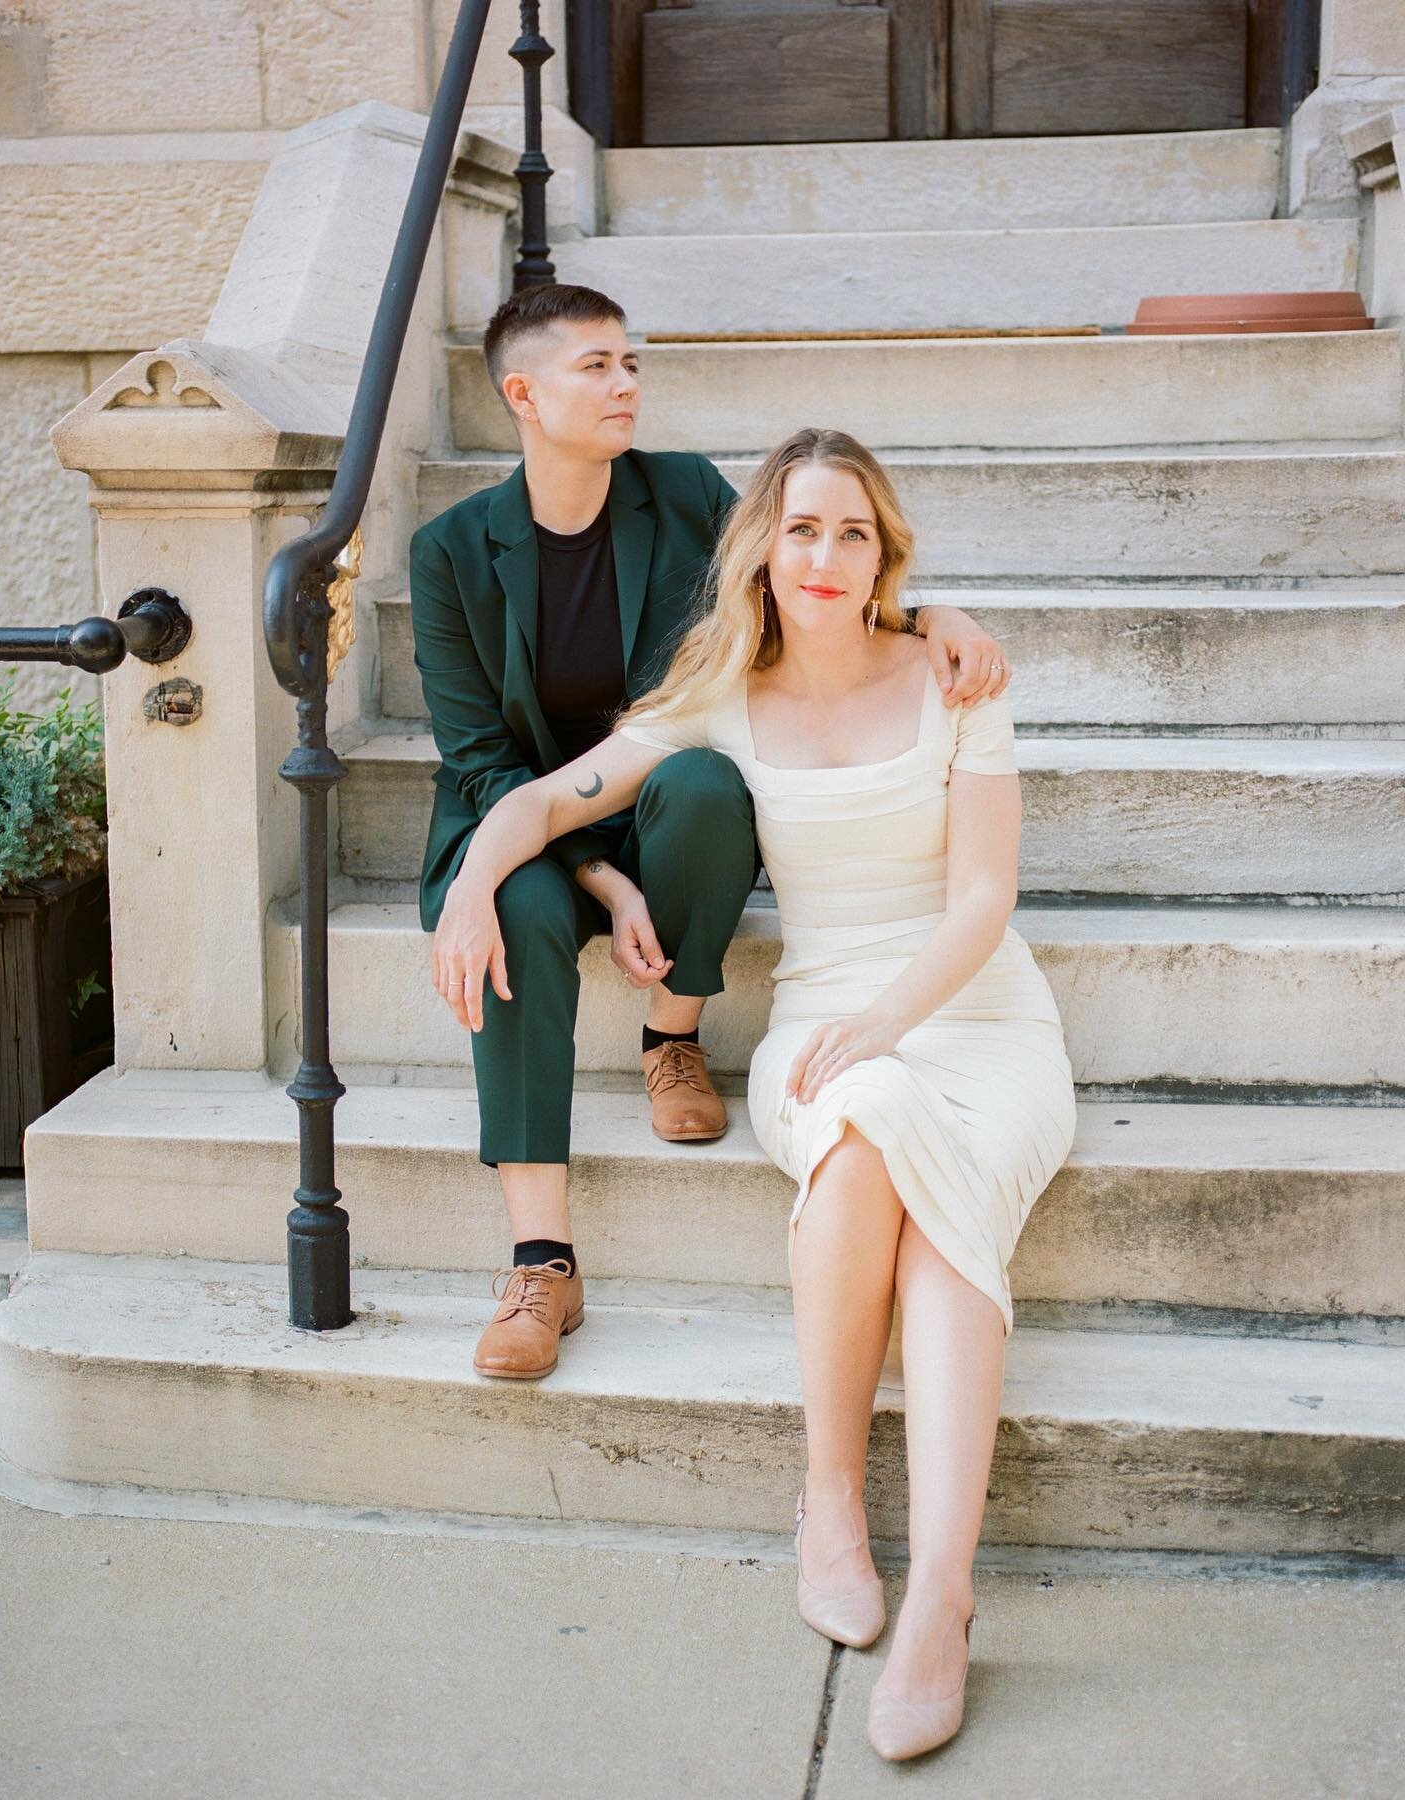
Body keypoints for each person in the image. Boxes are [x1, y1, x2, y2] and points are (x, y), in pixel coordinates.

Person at [432, 426, 1077, 1764]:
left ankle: (944, 1600)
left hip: (977, 1015)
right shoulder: (720, 693)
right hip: (825, 1018)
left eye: (853, 532)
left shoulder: (958, 675)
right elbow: (549, 800)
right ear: (761, 554)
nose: (826, 556)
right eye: (801, 531)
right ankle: (831, 1502)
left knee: (931, 1186)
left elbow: (984, 899)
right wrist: (472, 885)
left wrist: (891, 1024)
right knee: (858, 1144)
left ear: (886, 552)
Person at [411, 282, 1014, 1383]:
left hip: (665, 796)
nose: (626, 383)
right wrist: (591, 880)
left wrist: (935, 618)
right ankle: (541, 1259)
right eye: (596, 366)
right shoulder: (451, 549)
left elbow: (807, 578)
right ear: (523, 394)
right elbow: (487, 764)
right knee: (515, 903)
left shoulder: (683, 494)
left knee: (701, 783)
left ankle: (671, 1032)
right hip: (532, 816)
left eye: (631, 362)